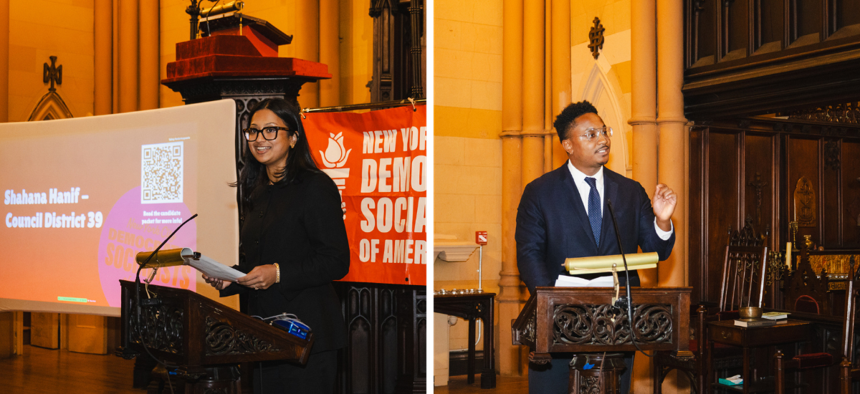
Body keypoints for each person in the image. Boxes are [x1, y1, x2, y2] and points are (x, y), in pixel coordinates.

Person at [515, 100, 677, 394]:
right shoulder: (540, 192)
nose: (603, 139)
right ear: (567, 144)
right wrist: (551, 308)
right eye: (591, 134)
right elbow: (529, 255)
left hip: (615, 327)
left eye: (604, 131)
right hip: (560, 327)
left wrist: (663, 222)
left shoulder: (629, 191)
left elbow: (657, 251)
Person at [202, 98, 350, 394]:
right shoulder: (258, 191)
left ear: (293, 137)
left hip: (306, 335)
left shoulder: (315, 187)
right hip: (262, 336)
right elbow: (262, 262)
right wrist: (229, 278)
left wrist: (279, 273)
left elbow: (336, 260)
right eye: (253, 131)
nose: (259, 139)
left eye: (271, 130)